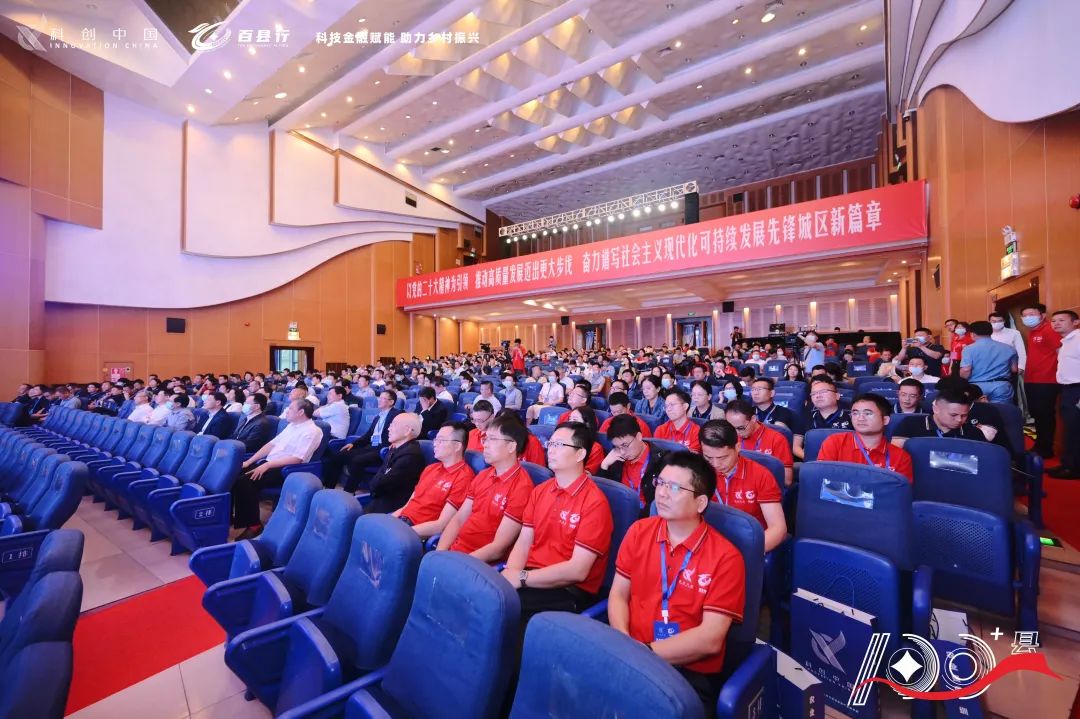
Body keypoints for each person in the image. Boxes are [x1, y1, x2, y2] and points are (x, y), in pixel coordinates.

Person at [608, 451, 746, 714]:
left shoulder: (726, 558)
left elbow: (710, 639)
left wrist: (643, 653)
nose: (661, 493)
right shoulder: (639, 532)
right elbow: (618, 594)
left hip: (686, 672)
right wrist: (624, 643)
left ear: (700, 502)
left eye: (674, 488)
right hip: (629, 652)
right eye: (660, 483)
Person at [501, 422, 614, 622]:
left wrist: (522, 578)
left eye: (559, 445)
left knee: (506, 610)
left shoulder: (595, 503)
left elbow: (577, 571)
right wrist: (512, 574)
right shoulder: (540, 491)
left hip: (567, 588)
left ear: (580, 454)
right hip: (531, 576)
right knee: (492, 597)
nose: (550, 450)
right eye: (550, 444)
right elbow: (524, 541)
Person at [437, 414, 533, 562]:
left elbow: (498, 548)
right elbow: (459, 519)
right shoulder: (483, 475)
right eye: (485, 439)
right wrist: (439, 554)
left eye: (492, 439)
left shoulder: (522, 487)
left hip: (478, 563)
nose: (485, 445)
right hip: (456, 552)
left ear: (511, 446)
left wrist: (458, 564)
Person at [233, 399, 323, 539]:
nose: (287, 411)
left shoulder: (313, 431)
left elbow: (297, 458)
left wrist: (267, 465)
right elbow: (271, 445)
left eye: (290, 409)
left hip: (287, 470)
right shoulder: (292, 426)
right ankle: (235, 516)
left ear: (301, 412)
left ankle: (254, 525)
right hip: (270, 463)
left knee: (245, 482)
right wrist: (249, 462)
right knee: (233, 473)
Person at [698, 422, 785, 552]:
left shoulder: (761, 475)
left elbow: (778, 529)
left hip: (747, 543)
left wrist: (747, 554)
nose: (715, 464)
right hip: (709, 542)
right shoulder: (698, 472)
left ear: (738, 447)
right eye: (708, 457)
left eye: (722, 458)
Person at [394, 422, 475, 539]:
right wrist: (389, 520)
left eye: (441, 440)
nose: (435, 444)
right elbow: (407, 506)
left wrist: (402, 532)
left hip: (417, 532)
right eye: (436, 440)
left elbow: (440, 525)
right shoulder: (430, 469)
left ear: (457, 446)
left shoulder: (463, 477)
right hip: (401, 523)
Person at [819, 394, 913, 481]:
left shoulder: (901, 457)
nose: (860, 418)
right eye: (855, 413)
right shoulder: (834, 443)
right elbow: (822, 481)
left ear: (885, 420)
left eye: (868, 413)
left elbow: (900, 491)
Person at [325, 389, 401, 491]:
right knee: (339, 455)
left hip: (383, 449)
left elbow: (402, 430)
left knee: (356, 461)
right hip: (371, 446)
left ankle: (349, 492)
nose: (379, 400)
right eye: (379, 398)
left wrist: (396, 442)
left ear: (391, 402)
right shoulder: (378, 417)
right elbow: (368, 435)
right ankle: (329, 487)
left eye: (383, 398)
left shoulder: (397, 415)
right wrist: (353, 444)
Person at [891, 377, 989, 446]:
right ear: (936, 409)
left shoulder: (974, 433)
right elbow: (895, 456)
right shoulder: (910, 424)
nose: (959, 420)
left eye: (964, 415)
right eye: (953, 415)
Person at [599, 414, 667, 514]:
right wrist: (604, 465)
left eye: (625, 445)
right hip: (619, 512)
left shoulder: (662, 462)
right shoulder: (615, 458)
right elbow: (603, 495)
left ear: (639, 436)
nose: (622, 452)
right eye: (617, 447)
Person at [364, 413, 426, 514]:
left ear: (407, 431)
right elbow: (379, 477)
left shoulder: (411, 456)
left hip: (391, 510)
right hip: (379, 500)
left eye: (393, 425)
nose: (389, 429)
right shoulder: (395, 448)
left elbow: (380, 484)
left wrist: (375, 483)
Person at [1022, 303, 1062, 459]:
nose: (1027, 318)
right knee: (1037, 414)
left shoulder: (1049, 330)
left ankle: (1046, 449)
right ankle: (1040, 445)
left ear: (1042, 315)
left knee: (1044, 415)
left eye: (1031, 314)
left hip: (1046, 380)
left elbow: (1061, 353)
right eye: (1024, 315)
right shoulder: (1033, 331)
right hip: (1032, 379)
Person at [724, 399, 793, 486]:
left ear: (753, 419)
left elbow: (787, 480)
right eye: (731, 428)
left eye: (740, 428)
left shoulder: (777, 439)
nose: (736, 433)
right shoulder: (728, 437)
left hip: (765, 486)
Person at [1049, 310, 1080, 479]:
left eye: (1061, 320)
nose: (1056, 323)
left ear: (1075, 322)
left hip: (1077, 389)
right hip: (1067, 389)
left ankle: (1074, 469)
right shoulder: (1066, 342)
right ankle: (1067, 464)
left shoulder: (1078, 339)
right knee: (1070, 428)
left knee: (1076, 429)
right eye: (1054, 321)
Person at [958, 321, 1018, 403]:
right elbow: (1014, 369)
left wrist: (962, 382)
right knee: (1002, 410)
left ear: (972, 334)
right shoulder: (1009, 348)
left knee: (980, 410)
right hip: (1001, 386)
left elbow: (966, 369)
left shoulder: (969, 349)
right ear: (991, 332)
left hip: (976, 387)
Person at [793, 376, 851, 460]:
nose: (818, 396)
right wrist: (816, 461)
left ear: (837, 396)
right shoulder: (805, 416)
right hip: (812, 463)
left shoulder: (852, 417)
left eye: (823, 391)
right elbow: (795, 447)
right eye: (814, 393)